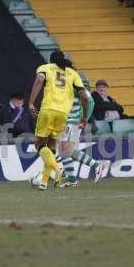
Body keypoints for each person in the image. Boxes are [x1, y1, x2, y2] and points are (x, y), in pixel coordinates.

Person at [28, 50, 89, 190]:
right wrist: (84, 117)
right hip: (63, 114)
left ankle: (58, 170)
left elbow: (39, 80)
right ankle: (44, 182)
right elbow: (84, 97)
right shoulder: (73, 73)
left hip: (48, 110)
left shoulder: (45, 67)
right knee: (51, 148)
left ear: (51, 60)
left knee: (39, 145)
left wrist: (31, 102)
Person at [56, 66, 106, 187]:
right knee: (68, 151)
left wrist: (85, 119)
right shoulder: (64, 79)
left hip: (73, 122)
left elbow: (90, 101)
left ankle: (93, 168)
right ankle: (75, 178)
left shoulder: (76, 83)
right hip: (68, 121)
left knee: (65, 151)